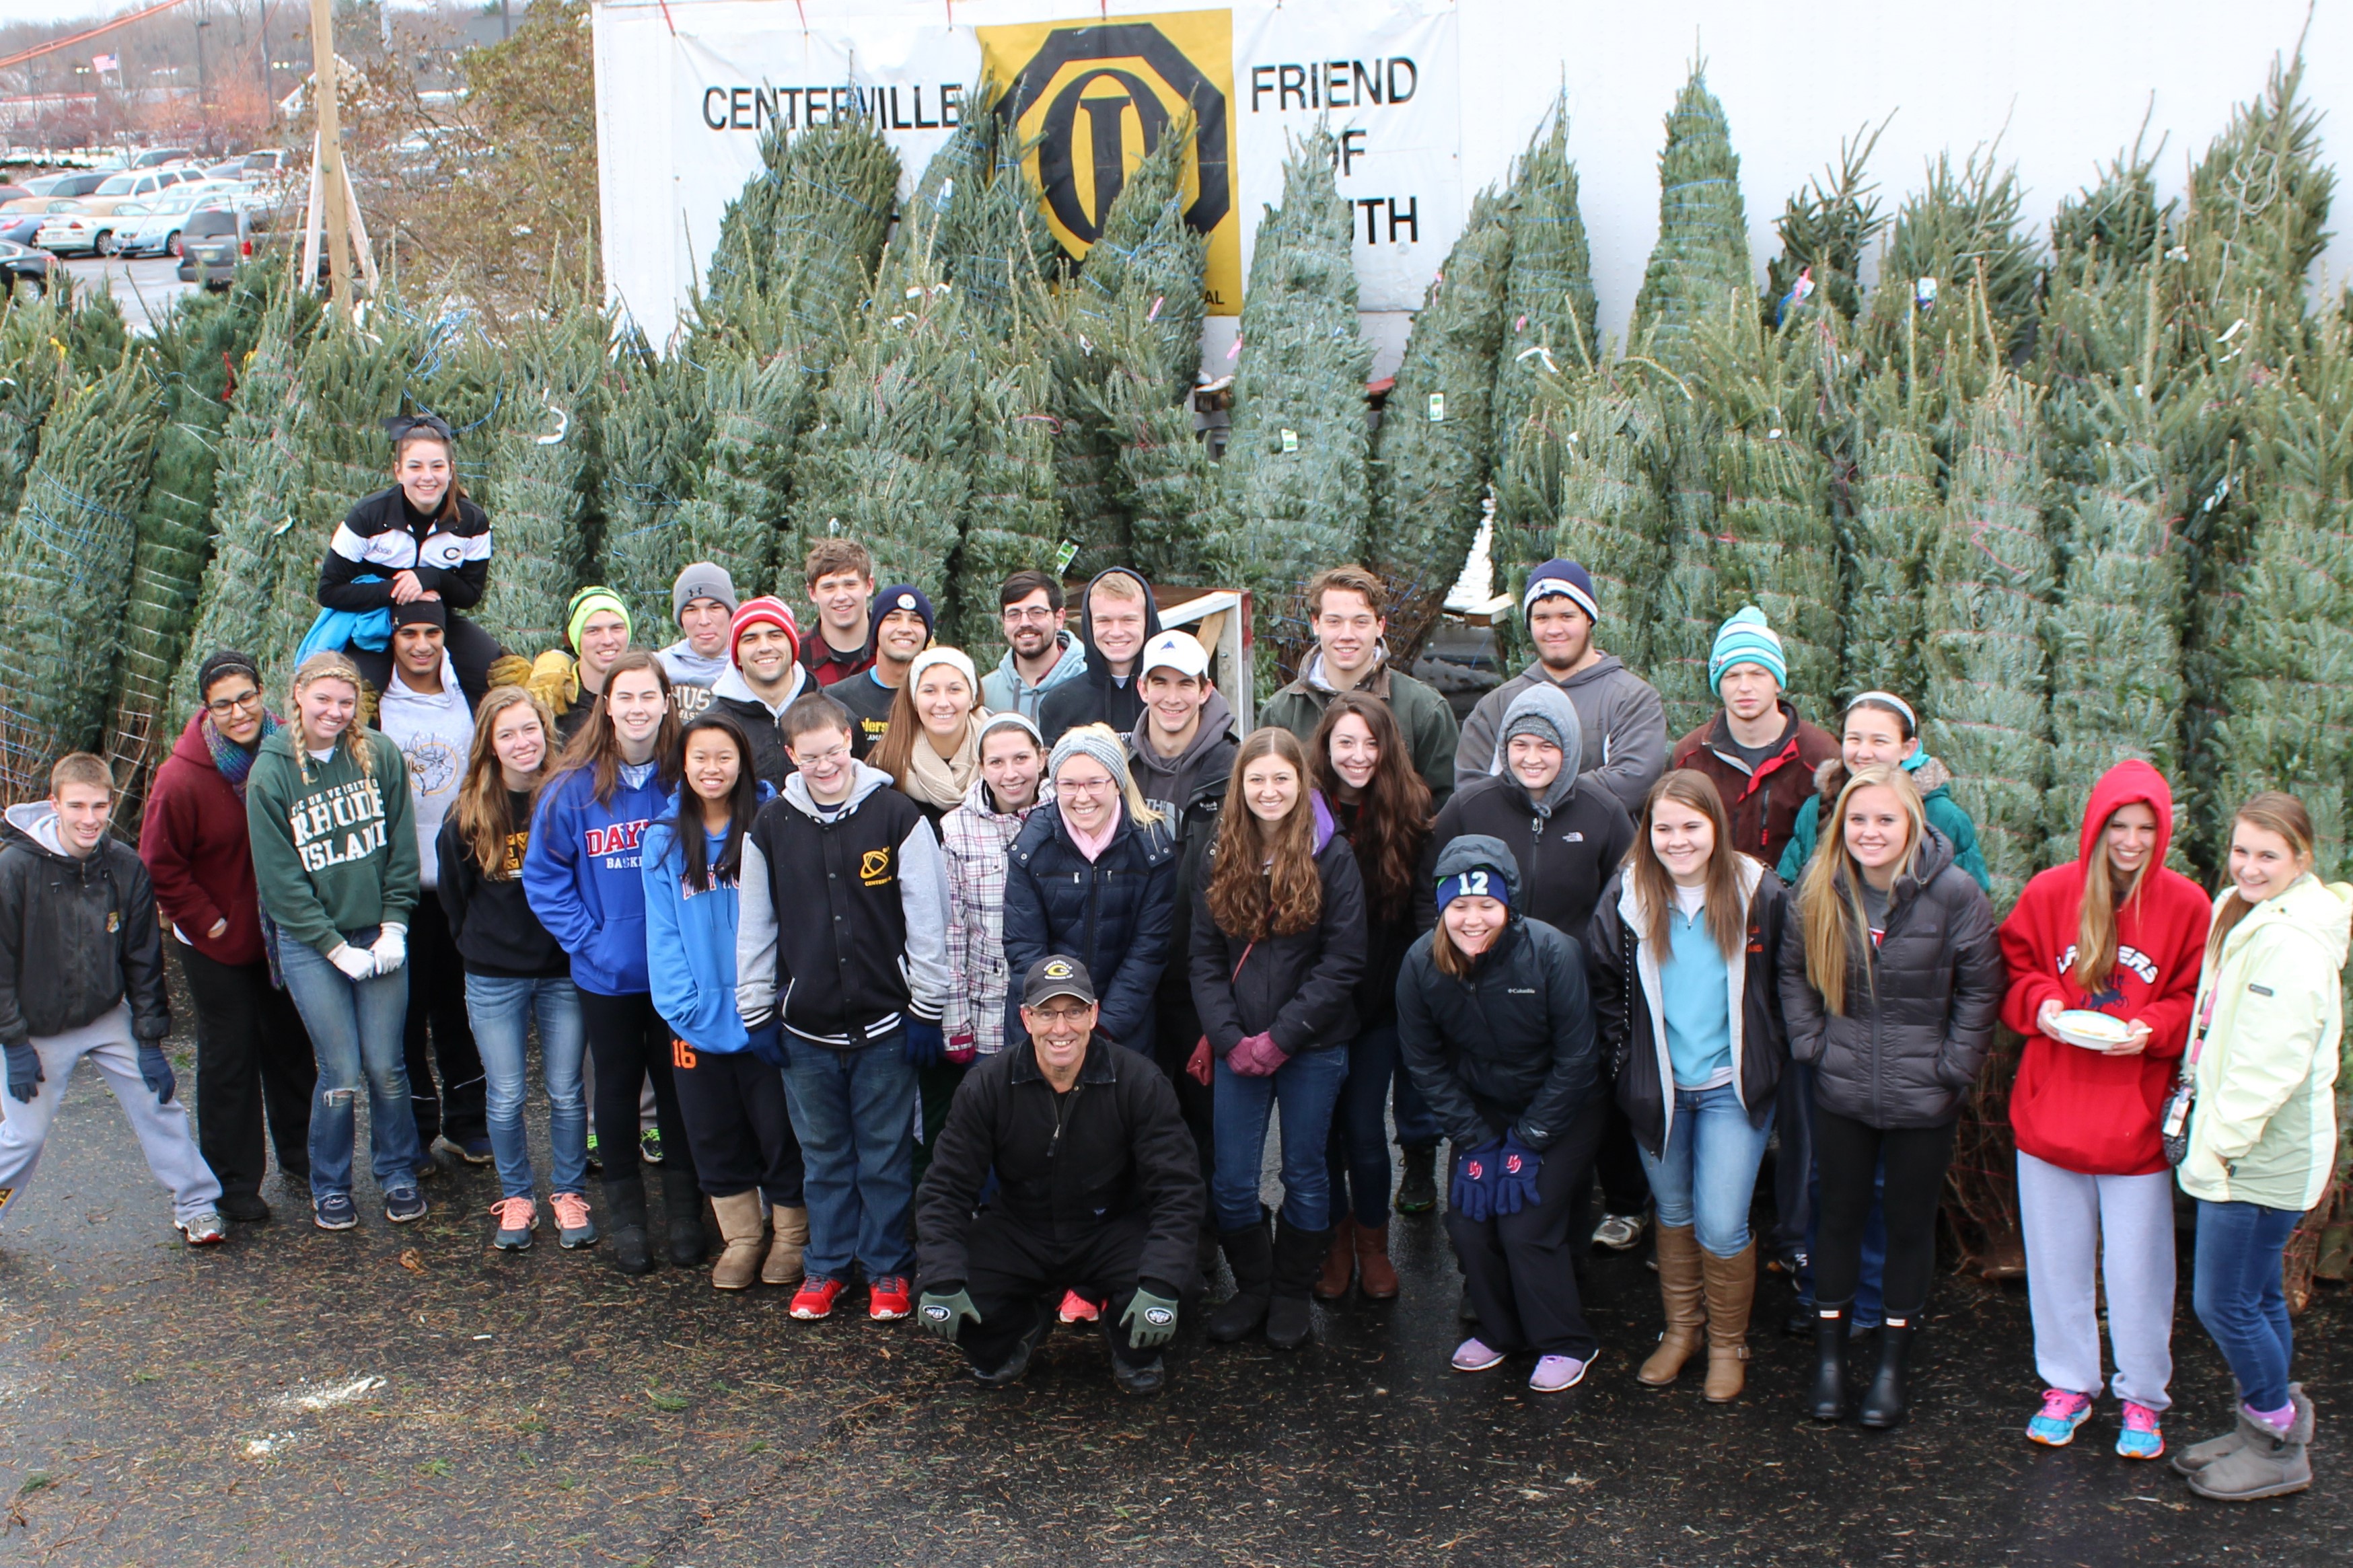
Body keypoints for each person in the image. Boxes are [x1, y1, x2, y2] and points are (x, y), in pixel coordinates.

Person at [1998, 760, 2209, 1460]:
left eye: (2145, 828)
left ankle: (2142, 1394)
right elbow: (2014, 971)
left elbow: (2194, 998)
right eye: (2118, 825)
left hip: (2134, 1124)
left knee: (2137, 1271)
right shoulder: (2050, 892)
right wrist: (2042, 1007)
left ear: (2162, 832)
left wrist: (2154, 1028)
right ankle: (2066, 1383)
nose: (2130, 841)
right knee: (2055, 1261)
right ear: (2095, 826)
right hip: (2051, 1113)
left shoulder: (2185, 905)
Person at [1780, 764, 2002, 1429]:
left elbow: (1980, 985)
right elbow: (1792, 970)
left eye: (1885, 819)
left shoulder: (1954, 893)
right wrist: (1812, 1045)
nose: (1869, 831)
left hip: (1923, 1096)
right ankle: (1828, 1361)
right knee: (1837, 1218)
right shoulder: (1820, 885)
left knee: (1907, 1225)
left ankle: (1890, 1364)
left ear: (1911, 824)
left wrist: (1952, 1066)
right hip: (1841, 1084)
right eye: (1857, 819)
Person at [736, 692, 951, 1324]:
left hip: (886, 1022)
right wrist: (757, 1011)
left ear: (850, 741)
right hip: (805, 1028)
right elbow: (755, 926)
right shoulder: (770, 826)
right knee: (824, 1156)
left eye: (833, 751)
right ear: (789, 755)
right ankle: (827, 1267)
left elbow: (928, 918)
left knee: (884, 1153)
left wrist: (927, 1007)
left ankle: (887, 1268)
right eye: (809, 757)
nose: (824, 765)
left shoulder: (896, 815)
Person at [1587, 771, 1790, 1401]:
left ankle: (1728, 1343)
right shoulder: (1627, 894)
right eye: (1663, 827)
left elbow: (1786, 984)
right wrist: (1623, 1063)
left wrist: (1771, 1058)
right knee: (1672, 1212)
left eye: (1691, 826)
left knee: (1722, 1223)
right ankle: (1682, 1330)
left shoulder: (1757, 891)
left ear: (1716, 827)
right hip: (1659, 1086)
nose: (1677, 841)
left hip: (1731, 1086)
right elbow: (1603, 985)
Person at [1421, 680, 1644, 1250]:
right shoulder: (1470, 807)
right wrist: (1448, 967)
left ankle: (1574, 1244)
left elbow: (1630, 899)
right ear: (1503, 746)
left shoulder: (1602, 812)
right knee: (1490, 1117)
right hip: (1483, 996)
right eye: (1520, 744)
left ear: (1570, 748)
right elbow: (1431, 891)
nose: (1532, 758)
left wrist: (1609, 983)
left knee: (1570, 1124)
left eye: (1547, 746)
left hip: (1574, 998)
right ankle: (1486, 1258)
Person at [915, 955, 1200, 1394]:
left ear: (1094, 1014)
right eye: (1047, 1013)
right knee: (940, 1291)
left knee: (1178, 1287)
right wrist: (941, 1277)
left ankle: (1128, 1342)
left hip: (1111, 1229)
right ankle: (1023, 1324)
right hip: (1021, 1227)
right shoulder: (987, 1085)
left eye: (1073, 1011)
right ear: (1026, 1018)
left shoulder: (1140, 1081)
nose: (1060, 1027)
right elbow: (946, 1188)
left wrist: (1162, 1281)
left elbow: (1178, 1189)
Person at [2170, 793, 2346, 1502]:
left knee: (2223, 1303)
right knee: (2257, 1293)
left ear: (2301, 859)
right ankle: (2259, 1424)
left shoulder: (2291, 943)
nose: (2247, 866)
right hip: (2239, 1144)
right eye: (2240, 850)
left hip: (2256, 1153)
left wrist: (2218, 1146)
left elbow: (2268, 1065)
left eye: (2267, 855)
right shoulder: (2242, 911)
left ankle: (2275, 1440)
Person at [1397, 836, 1603, 1392]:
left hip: (1563, 1107)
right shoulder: (1420, 963)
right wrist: (1475, 1139)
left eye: (1486, 904)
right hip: (1483, 1111)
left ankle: (1565, 1340)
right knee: (1468, 1220)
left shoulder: (1553, 952)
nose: (1473, 919)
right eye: (1459, 906)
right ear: (1441, 908)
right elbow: (1423, 1061)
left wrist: (1529, 1139)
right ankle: (1500, 1328)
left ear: (1508, 902)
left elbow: (1578, 1058)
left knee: (1524, 1225)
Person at [523, 652, 704, 1275]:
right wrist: (591, 942)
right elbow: (545, 880)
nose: (636, 708)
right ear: (606, 706)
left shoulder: (686, 778)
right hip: (608, 975)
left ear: (666, 702)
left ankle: (685, 1211)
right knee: (619, 1092)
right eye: (624, 697)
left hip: (678, 975)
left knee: (679, 1090)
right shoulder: (571, 789)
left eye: (648, 696)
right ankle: (628, 1216)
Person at [0, 754, 224, 1246]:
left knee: (157, 1100)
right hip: (35, 1026)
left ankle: (196, 1206)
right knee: (24, 1137)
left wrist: (150, 1040)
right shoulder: (14, 867)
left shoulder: (124, 865)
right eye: (77, 806)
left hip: (104, 1013)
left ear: (111, 803)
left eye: (99, 806)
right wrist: (13, 1043)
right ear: (54, 803)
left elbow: (142, 958)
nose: (90, 819)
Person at [1192, 726, 1365, 1350]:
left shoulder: (1331, 855)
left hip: (1312, 1044)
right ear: (1240, 784)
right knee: (1232, 1179)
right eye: (1256, 779)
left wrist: (1282, 1037)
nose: (1269, 790)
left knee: (1306, 1172)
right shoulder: (1220, 850)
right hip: (1237, 1043)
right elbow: (1203, 956)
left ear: (1301, 782)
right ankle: (1255, 1286)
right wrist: (1229, 1036)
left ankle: (1291, 1290)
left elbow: (1342, 961)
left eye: (1281, 778)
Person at [245, 650, 429, 1230]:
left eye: (346, 701)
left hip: (377, 930)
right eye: (323, 698)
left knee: (387, 1064)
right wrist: (332, 946)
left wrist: (395, 924)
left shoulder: (379, 754)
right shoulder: (270, 773)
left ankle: (397, 1171)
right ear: (297, 695)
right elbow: (280, 882)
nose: (334, 710)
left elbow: (401, 846)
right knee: (342, 1069)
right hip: (312, 942)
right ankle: (330, 1184)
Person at [139, 649, 314, 1223]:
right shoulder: (181, 778)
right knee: (229, 1054)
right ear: (206, 709)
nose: (238, 713)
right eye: (223, 705)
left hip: (285, 929)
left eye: (246, 698)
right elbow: (161, 864)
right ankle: (234, 1181)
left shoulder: (291, 751)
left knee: (291, 1043)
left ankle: (304, 1155)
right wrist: (211, 920)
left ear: (264, 693)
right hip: (216, 938)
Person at [643, 710, 807, 1292]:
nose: (712, 768)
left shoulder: (771, 823)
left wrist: (772, 1001)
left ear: (743, 763)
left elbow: (791, 920)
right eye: (700, 757)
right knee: (712, 1131)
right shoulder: (662, 839)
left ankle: (791, 1235)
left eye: (724, 757)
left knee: (778, 1130)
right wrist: (684, 1009)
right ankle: (741, 1237)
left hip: (766, 1013)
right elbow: (663, 932)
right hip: (694, 1017)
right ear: (683, 765)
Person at [437, 686, 595, 1253]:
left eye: (529, 729)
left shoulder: (569, 797)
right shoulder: (468, 813)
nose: (521, 742)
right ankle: (517, 1195)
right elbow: (454, 896)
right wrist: (478, 945)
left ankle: (569, 1191)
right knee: (505, 1094)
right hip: (493, 974)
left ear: (545, 731)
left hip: (560, 970)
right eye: (506, 734)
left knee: (566, 1090)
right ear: (489, 745)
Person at [1307, 692, 1431, 1303]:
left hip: (1379, 1002)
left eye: (1370, 743)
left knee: (1362, 1127)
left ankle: (1373, 1245)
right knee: (1322, 1133)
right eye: (1345, 742)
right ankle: (1334, 1245)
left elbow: (1417, 915)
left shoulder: (1408, 810)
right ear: (1326, 746)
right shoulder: (1305, 808)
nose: (1358, 755)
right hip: (1316, 1004)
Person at [1127, 631, 1237, 1277]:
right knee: (1144, 1113)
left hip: (1205, 976)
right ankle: (1149, 1239)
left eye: (1185, 684)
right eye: (1160, 682)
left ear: (1205, 690)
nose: (1172, 696)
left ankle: (1203, 1241)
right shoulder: (1118, 763)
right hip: (1135, 972)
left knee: (1205, 1120)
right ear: (1142, 687)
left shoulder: (1233, 766)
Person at [374, 598, 489, 1169]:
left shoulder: (465, 693)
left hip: (458, 878)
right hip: (400, 884)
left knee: (457, 1007)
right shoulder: (377, 703)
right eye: (409, 634)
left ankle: (468, 1123)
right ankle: (415, 1129)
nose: (421, 645)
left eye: (432, 633)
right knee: (405, 1011)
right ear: (393, 639)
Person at [1003, 726, 1177, 1057]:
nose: (1082, 797)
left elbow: (1148, 949)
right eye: (1069, 785)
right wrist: (1062, 1022)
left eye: (1095, 783)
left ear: (1117, 782)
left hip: (1123, 1027)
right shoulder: (1031, 845)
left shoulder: (1152, 846)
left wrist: (1105, 1027)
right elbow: (1024, 947)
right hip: (1045, 1026)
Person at [1453, 559, 1667, 815]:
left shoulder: (1632, 700)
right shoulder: (1497, 705)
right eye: (1542, 618)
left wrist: (1539, 800)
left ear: (1589, 618)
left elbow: (1632, 781)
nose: (1554, 630)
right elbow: (1472, 791)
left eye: (1567, 616)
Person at [318, 413, 501, 702]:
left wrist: (430, 577)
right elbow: (329, 591)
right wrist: (397, 590)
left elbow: (470, 594)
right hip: (375, 621)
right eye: (415, 466)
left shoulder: (472, 521)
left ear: (451, 470)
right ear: (398, 471)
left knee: (497, 673)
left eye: (437, 466)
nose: (427, 477)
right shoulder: (367, 516)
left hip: (438, 620)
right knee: (357, 693)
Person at [1260, 565, 1459, 808]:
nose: (1347, 634)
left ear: (1380, 626)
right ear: (1316, 624)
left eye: (1360, 622)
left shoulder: (1424, 709)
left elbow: (1447, 806)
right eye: (1334, 621)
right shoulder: (1282, 711)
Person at [1671, 606, 1838, 868]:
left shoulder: (1821, 756)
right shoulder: (1691, 756)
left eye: (1758, 674)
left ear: (1778, 682)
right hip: (1714, 891)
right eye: (1732, 676)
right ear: (1718, 686)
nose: (1745, 687)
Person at [1777, 692, 1989, 893]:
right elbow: (1790, 889)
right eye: (1854, 739)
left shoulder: (1944, 817)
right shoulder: (1816, 808)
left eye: (1879, 741)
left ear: (1908, 748)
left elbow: (1968, 903)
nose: (1864, 753)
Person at [941, 712, 1053, 1061]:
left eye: (1021, 758)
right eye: (996, 762)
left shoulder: (1065, 816)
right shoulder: (956, 829)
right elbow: (952, 932)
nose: (1010, 774)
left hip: (1053, 1010)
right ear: (981, 767)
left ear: (1041, 758)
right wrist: (956, 1023)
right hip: (986, 1013)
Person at [1038, 567, 1161, 743]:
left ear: (1148, 621)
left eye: (1129, 620)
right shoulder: (1060, 704)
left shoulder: (1173, 701)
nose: (1116, 632)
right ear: (1089, 624)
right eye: (1104, 620)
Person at [873, 646, 986, 829]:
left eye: (954, 690)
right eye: (929, 691)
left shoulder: (998, 757)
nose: (942, 703)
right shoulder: (887, 764)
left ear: (972, 697)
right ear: (914, 699)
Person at [708, 596, 808, 789]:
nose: (764, 647)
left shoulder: (832, 715)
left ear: (793, 646)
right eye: (750, 639)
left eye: (775, 636)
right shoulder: (712, 726)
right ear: (736, 655)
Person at [834, 585, 934, 759]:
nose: (905, 629)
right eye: (893, 619)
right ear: (876, 629)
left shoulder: (940, 699)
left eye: (916, 621)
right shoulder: (838, 698)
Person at [982, 569, 1087, 723]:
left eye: (1037, 612)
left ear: (1059, 619)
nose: (1025, 623)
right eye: (1014, 614)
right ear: (1003, 623)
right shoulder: (986, 693)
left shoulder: (1090, 684)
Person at [542, 587, 636, 745]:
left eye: (617, 628)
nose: (608, 640)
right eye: (593, 631)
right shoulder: (555, 701)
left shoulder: (646, 694)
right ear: (577, 638)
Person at [656, 561, 740, 722]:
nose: (704, 621)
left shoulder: (748, 668)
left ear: (731, 613)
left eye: (714, 608)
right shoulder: (660, 667)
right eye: (692, 610)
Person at [799, 540, 875, 689]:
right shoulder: (796, 660)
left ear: (869, 585)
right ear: (812, 592)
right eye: (829, 587)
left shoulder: (891, 649)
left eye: (850, 585)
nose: (841, 597)